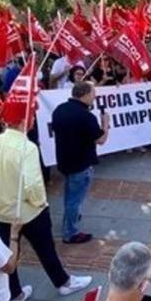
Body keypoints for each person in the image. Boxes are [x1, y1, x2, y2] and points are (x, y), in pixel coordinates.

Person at [0, 116, 92, 301]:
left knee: (8, 252)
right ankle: (63, 282)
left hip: (2, 210)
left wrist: (0, 197)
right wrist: (39, 202)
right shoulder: (28, 147)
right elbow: (33, 184)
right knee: (45, 248)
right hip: (30, 211)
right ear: (26, 121)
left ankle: (15, 293)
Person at [52, 82, 109, 244]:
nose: (95, 96)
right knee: (74, 199)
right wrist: (105, 123)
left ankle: (69, 222)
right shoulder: (86, 116)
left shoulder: (60, 109)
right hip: (81, 164)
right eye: (93, 93)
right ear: (85, 94)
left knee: (70, 196)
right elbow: (101, 139)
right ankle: (70, 232)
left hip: (65, 161)